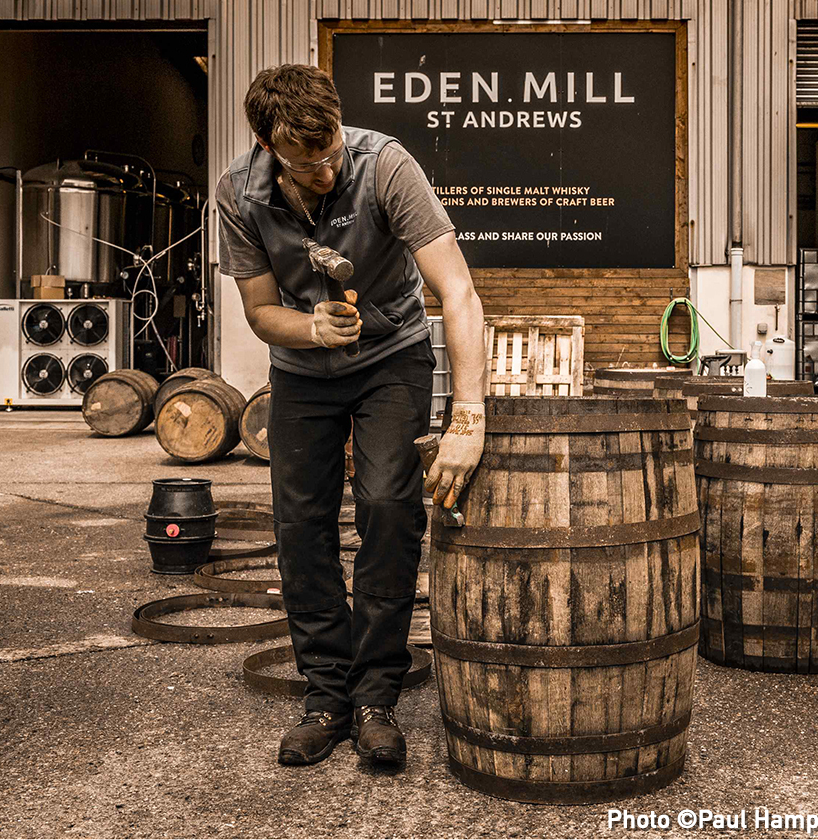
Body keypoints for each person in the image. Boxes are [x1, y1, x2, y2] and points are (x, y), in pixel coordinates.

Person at [215, 64, 486, 768]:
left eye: (333, 149)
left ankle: (376, 697)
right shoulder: (238, 195)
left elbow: (456, 290)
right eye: (310, 162)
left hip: (392, 354)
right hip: (304, 372)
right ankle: (326, 695)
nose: (328, 168)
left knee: (390, 507)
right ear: (268, 146)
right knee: (300, 525)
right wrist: (313, 331)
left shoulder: (386, 166)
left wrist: (470, 416)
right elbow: (260, 311)